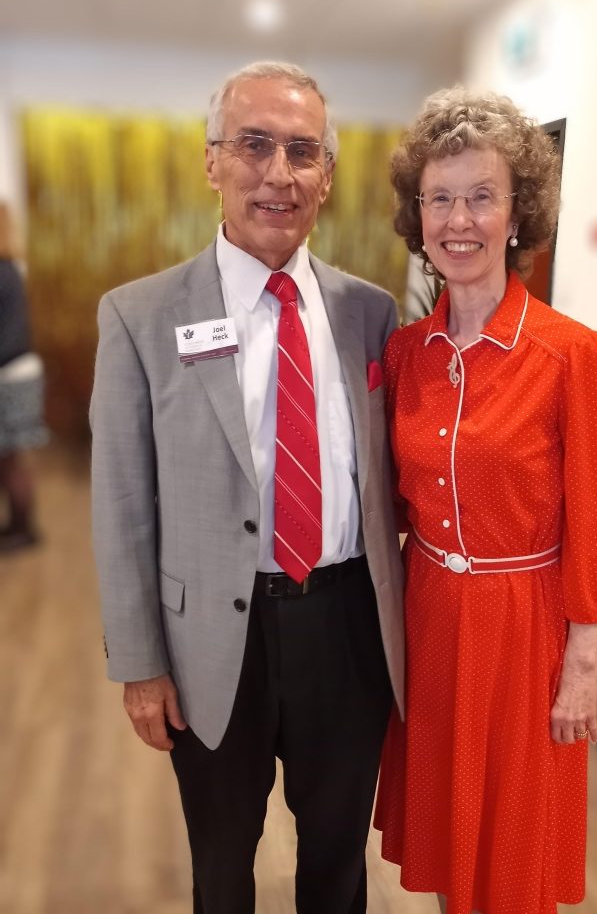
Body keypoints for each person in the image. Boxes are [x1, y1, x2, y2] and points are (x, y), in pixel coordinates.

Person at [90, 61, 405, 914]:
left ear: (328, 177)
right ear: (212, 162)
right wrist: (140, 664)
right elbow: (121, 511)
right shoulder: (139, 316)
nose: (278, 173)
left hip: (347, 631)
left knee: (338, 862)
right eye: (254, 145)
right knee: (222, 865)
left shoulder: (371, 315)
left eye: (303, 152)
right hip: (209, 646)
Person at [373, 88, 597, 914]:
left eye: (482, 196)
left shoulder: (571, 355)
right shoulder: (407, 352)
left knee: (512, 861)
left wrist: (582, 670)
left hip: (526, 634)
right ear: (419, 217)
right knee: (454, 849)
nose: (459, 219)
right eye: (440, 198)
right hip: (431, 617)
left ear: (518, 213)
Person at [0, 203, 47, 553]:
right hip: (21, 371)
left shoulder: (3, 272)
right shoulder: (11, 268)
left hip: (11, 374)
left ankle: (23, 529)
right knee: (12, 456)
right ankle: (20, 526)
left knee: (12, 456)